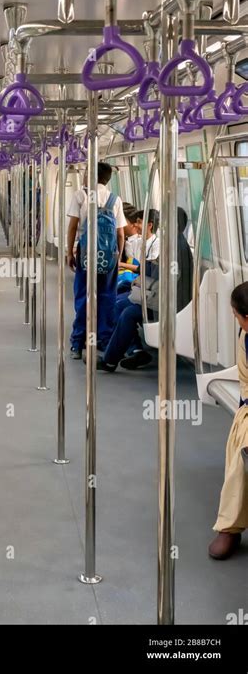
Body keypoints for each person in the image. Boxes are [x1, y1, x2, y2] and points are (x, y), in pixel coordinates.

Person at [97, 207, 191, 372]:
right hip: (163, 296)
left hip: (167, 302)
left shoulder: (177, 248)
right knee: (121, 306)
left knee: (127, 312)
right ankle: (131, 351)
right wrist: (147, 266)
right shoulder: (175, 243)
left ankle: (110, 360)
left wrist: (146, 268)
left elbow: (164, 275)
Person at [67, 162, 126, 359]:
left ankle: (78, 342)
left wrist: (70, 253)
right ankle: (105, 340)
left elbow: (73, 227)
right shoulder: (115, 199)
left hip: (85, 254)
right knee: (107, 297)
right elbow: (120, 234)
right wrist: (117, 256)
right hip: (109, 257)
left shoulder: (81, 196)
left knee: (84, 296)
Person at [209, 282, 248, 560]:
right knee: (238, 451)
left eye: (235, 315)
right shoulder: (245, 335)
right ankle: (230, 526)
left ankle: (230, 528)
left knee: (239, 458)